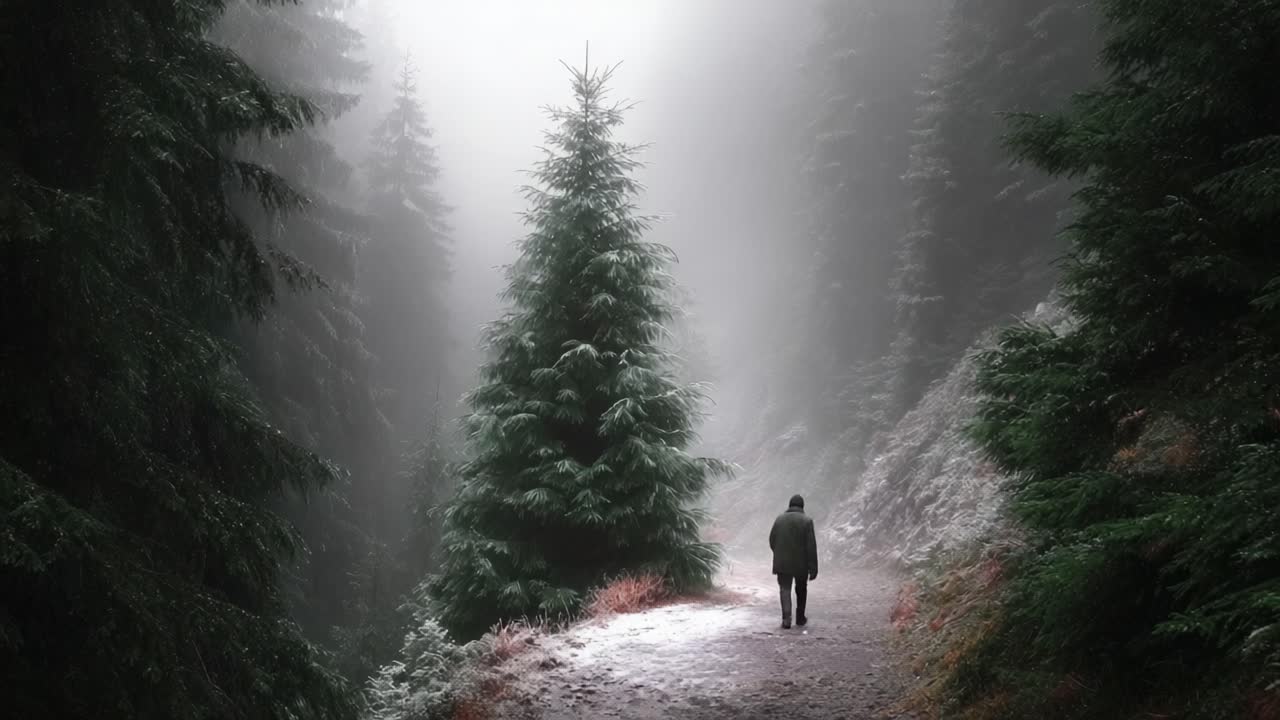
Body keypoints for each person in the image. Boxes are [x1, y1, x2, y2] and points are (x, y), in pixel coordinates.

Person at [768, 494, 818, 629]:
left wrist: (779, 553)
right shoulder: (807, 521)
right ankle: (800, 618)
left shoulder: (779, 519)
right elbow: (811, 546)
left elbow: (772, 540)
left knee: (785, 589)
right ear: (802, 506)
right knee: (801, 589)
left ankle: (786, 618)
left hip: (782, 562)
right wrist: (813, 568)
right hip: (801, 564)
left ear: (789, 505)